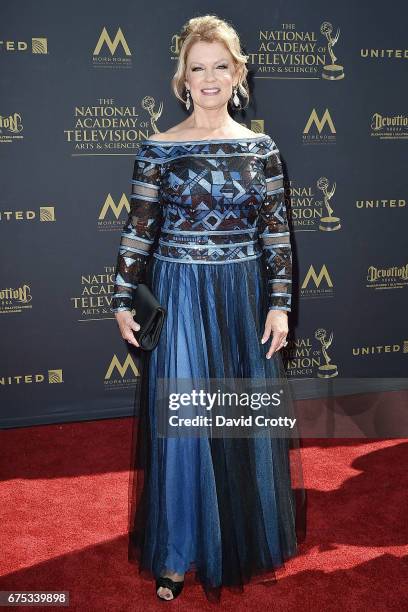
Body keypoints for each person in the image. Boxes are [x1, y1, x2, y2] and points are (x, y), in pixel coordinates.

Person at [111, 14, 306, 604]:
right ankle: (174, 552)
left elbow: (276, 234)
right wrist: (123, 295)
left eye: (220, 65)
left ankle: (242, 539)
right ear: (182, 79)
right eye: (197, 68)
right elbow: (139, 230)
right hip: (178, 296)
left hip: (243, 292)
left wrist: (279, 305)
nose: (209, 77)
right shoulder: (159, 149)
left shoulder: (261, 149)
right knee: (184, 425)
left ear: (238, 72)